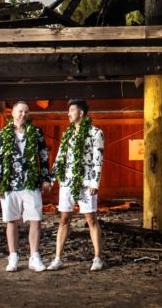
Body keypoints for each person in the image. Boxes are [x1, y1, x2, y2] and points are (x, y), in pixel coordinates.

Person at [0, 100, 52, 272]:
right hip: (9, 184)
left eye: (26, 112)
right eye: (20, 111)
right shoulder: (2, 134)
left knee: (35, 219)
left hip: (31, 183)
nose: (23, 114)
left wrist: (46, 178)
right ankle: (13, 257)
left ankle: (34, 256)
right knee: (11, 220)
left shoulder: (36, 132)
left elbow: (44, 156)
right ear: (13, 113)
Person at [46, 98, 105, 271]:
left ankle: (97, 258)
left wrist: (95, 182)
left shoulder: (95, 133)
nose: (68, 113)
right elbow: (59, 158)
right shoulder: (67, 134)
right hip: (67, 182)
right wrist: (51, 179)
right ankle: (57, 258)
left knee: (91, 218)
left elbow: (98, 158)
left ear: (81, 113)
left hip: (87, 181)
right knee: (64, 218)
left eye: (72, 110)